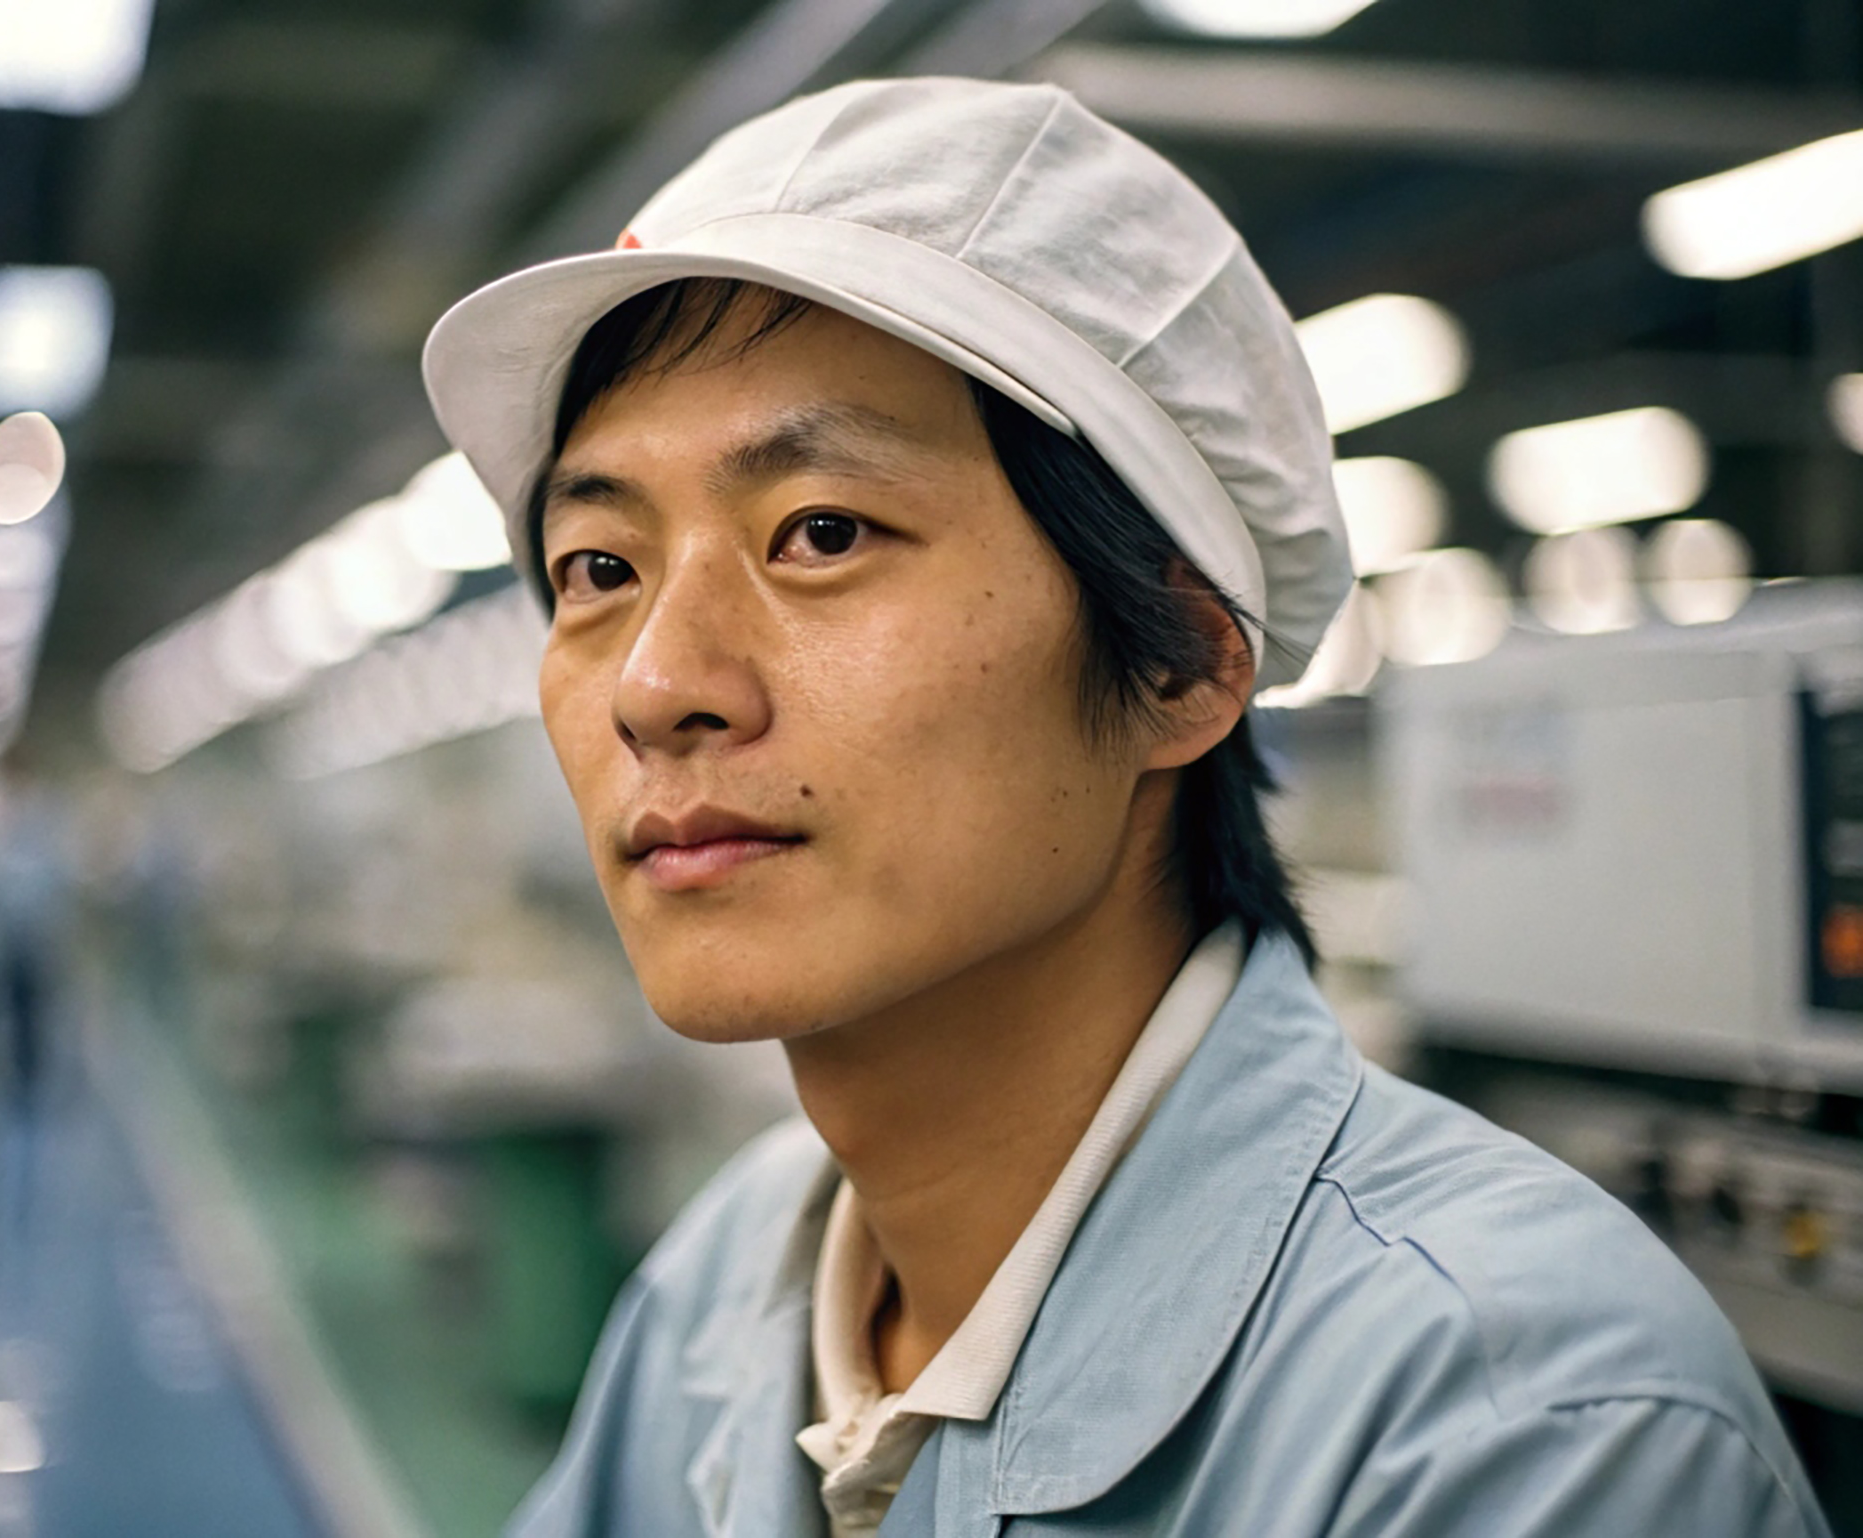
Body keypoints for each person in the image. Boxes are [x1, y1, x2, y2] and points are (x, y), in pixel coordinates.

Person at [421, 78, 1830, 1536]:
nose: (657, 685)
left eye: (821, 533)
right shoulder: (733, 1286)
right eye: (598, 567)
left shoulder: (1523, 1429)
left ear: (1184, 663)